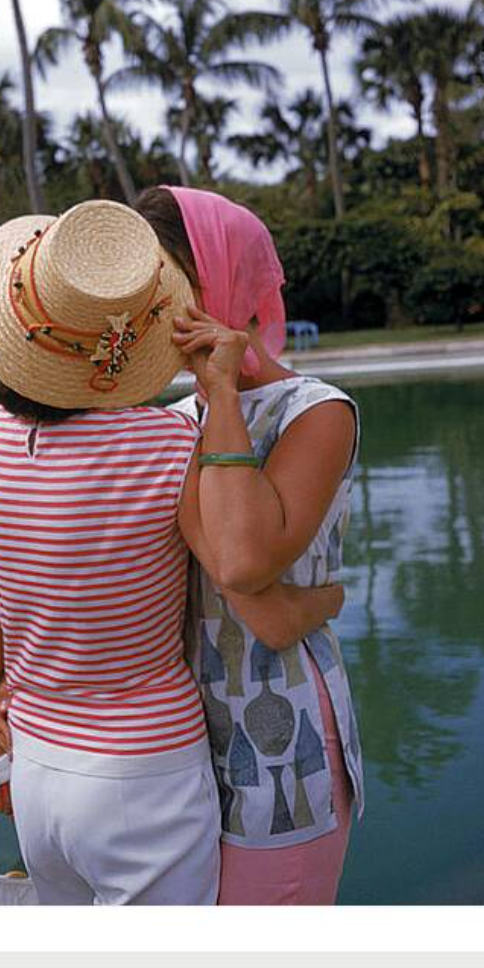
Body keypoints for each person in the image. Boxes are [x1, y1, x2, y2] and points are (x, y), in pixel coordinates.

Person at [0, 199, 343, 905]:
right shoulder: (167, 442)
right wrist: (330, 598)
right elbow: (249, 583)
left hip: (39, 765)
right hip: (145, 770)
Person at [135, 185, 364, 907]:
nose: (148, 311)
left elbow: (241, 562)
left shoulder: (317, 412)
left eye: (164, 285)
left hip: (280, 740)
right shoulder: (171, 418)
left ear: (217, 282)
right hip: (174, 753)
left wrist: (226, 398)